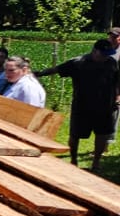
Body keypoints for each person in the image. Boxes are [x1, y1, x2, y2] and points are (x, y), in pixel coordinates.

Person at [36, 40, 120, 170]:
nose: (106, 56)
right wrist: (40, 73)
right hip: (82, 106)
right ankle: (74, 159)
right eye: (103, 54)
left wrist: (117, 96)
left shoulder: (111, 63)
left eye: (108, 54)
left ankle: (96, 161)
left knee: (102, 134)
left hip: (105, 107)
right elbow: (57, 69)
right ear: (95, 51)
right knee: (75, 134)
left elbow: (116, 81)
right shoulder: (79, 62)